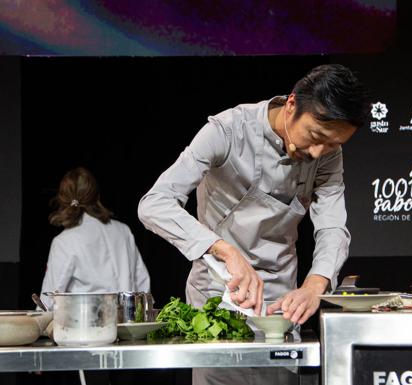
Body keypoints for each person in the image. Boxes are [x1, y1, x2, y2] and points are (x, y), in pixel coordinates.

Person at [138, 64, 368, 385]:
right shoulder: (228, 131)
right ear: (291, 106)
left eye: (332, 144)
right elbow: (155, 203)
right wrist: (224, 250)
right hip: (217, 295)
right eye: (316, 137)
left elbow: (332, 226)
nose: (318, 151)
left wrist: (315, 286)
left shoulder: (326, 155)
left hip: (279, 305)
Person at [40, 167, 150, 310]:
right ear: (96, 196)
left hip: (86, 327)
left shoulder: (64, 241)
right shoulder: (123, 231)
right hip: (127, 325)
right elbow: (142, 283)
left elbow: (49, 300)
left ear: (63, 198)